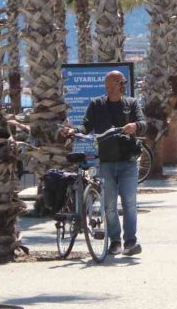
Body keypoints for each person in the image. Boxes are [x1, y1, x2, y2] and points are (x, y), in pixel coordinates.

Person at [61, 71, 146, 256]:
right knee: (108, 204)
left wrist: (135, 127)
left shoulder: (131, 103)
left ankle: (130, 242)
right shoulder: (97, 104)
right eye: (106, 83)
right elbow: (86, 126)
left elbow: (143, 123)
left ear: (120, 84)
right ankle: (115, 241)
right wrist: (73, 131)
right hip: (106, 162)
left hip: (128, 162)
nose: (108, 86)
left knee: (130, 203)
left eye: (113, 83)